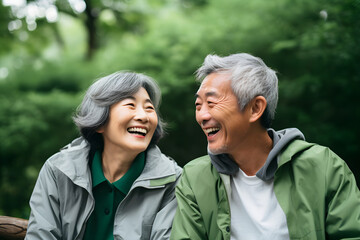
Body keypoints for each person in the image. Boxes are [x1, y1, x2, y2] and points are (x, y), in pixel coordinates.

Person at [170, 53, 360, 240]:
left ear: (255, 108)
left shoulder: (323, 166)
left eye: (211, 103)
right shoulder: (195, 178)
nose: (202, 116)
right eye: (198, 105)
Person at [25, 71, 182, 240]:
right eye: (130, 105)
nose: (143, 117)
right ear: (100, 121)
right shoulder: (58, 171)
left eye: (149, 108)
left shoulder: (173, 181)